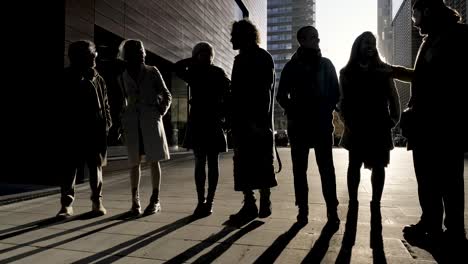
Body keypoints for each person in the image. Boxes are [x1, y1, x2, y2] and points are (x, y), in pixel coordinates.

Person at [390, 0, 468, 247]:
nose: (414, 21)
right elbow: (421, 76)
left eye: (415, 14)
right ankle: (431, 223)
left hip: (444, 122)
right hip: (426, 121)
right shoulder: (431, 38)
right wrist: (391, 70)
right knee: (427, 177)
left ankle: (453, 230)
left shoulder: (456, 35)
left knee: (448, 178)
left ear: (427, 11)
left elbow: (446, 79)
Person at [338, 31, 400, 248]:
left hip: (379, 125)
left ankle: (376, 202)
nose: (371, 46)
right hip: (356, 126)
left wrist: (392, 120)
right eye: (367, 42)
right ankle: (353, 201)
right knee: (353, 165)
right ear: (358, 46)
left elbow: (393, 98)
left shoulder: (384, 71)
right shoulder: (346, 72)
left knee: (380, 166)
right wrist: (347, 121)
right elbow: (342, 101)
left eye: (373, 43)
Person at [276, 26, 340, 225]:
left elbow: (336, 94)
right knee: (299, 170)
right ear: (301, 40)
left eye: (317, 37)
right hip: (299, 126)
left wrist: (323, 108)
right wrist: (294, 110)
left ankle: (332, 210)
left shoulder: (327, 64)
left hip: (321, 124)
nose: (317, 40)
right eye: (313, 37)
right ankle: (302, 210)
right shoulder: (291, 67)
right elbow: (280, 96)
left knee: (326, 169)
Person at [228, 19, 277, 221]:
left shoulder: (255, 58)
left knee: (250, 162)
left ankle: (255, 203)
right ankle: (257, 202)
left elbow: (262, 92)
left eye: (234, 35)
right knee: (251, 162)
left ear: (244, 36)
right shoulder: (249, 58)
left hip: (254, 121)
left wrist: (255, 122)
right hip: (250, 121)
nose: (231, 39)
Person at [174, 42, 230, 217]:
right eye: (201, 54)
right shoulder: (202, 72)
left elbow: (177, 67)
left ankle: (205, 201)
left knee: (206, 163)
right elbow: (176, 68)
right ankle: (205, 201)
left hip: (208, 120)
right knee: (206, 163)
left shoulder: (203, 72)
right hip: (204, 120)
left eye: (206, 54)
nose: (204, 57)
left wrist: (193, 59)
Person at [117, 39, 172, 215]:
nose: (142, 53)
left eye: (142, 50)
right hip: (132, 123)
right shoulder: (122, 75)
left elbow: (167, 94)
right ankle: (135, 202)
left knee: (153, 160)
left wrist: (159, 112)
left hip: (151, 120)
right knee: (134, 163)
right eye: (137, 50)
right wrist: (122, 119)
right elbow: (123, 100)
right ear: (128, 54)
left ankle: (155, 200)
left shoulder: (152, 71)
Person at [59, 40, 112, 218]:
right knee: (69, 167)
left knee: (96, 168)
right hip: (73, 129)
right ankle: (66, 205)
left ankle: (97, 202)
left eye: (94, 53)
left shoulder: (99, 78)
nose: (95, 57)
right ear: (79, 57)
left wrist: (108, 123)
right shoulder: (66, 76)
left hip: (95, 129)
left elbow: (106, 104)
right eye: (91, 54)